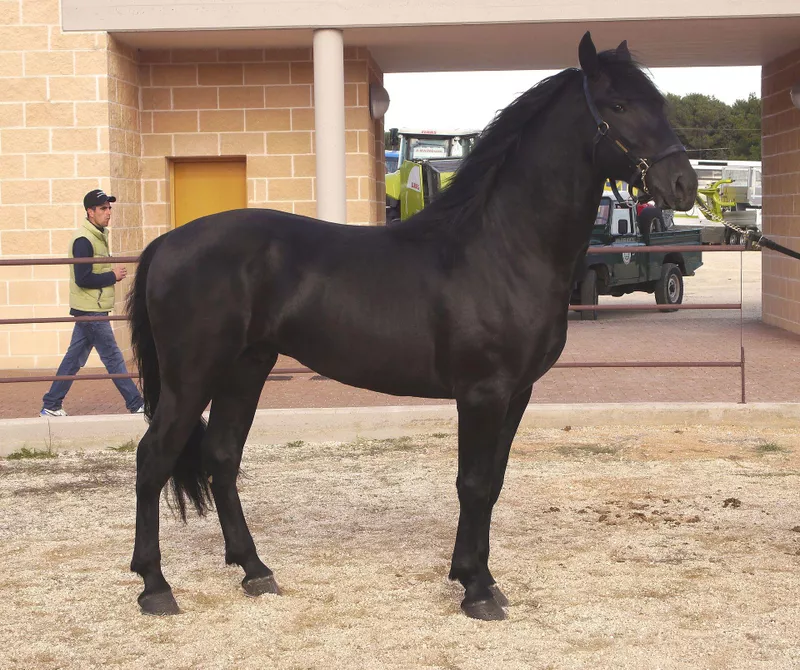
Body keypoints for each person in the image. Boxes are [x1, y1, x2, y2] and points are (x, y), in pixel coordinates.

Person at [40, 189, 144, 417]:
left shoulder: (97, 236)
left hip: (92, 308)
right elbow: (83, 277)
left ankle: (51, 404)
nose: (108, 213)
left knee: (74, 358)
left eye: (109, 208)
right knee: (113, 357)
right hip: (91, 310)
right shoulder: (83, 240)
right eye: (103, 209)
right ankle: (136, 404)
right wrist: (112, 276)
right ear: (90, 212)